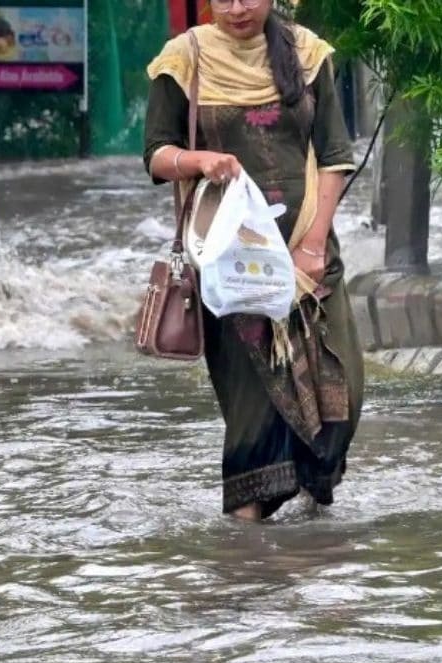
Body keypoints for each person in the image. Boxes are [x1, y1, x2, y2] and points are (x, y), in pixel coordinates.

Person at [143, 0, 361, 521]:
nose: (237, 8)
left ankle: (314, 522)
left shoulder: (308, 55)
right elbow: (155, 154)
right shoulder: (183, 59)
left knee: (343, 394)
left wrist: (312, 244)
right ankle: (248, 559)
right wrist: (200, 161)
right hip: (230, 266)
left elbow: (334, 156)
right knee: (254, 415)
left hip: (307, 258)